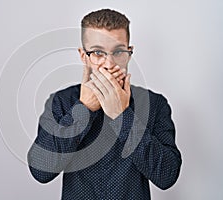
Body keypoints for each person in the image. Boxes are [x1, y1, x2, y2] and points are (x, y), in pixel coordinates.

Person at [28, 8, 182, 200]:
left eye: (118, 51)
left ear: (129, 53)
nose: (109, 64)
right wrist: (83, 109)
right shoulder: (62, 101)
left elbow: (167, 176)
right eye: (98, 52)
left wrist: (122, 116)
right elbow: (41, 171)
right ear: (84, 56)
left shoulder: (154, 104)